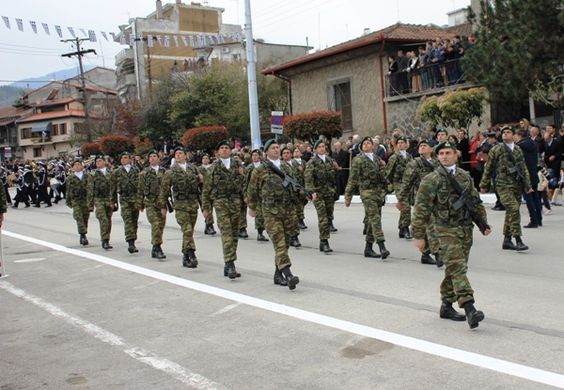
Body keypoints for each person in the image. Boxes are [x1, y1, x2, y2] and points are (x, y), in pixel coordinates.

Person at [412, 141, 491, 329]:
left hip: (465, 228)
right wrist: (419, 236)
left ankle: (446, 306)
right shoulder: (432, 179)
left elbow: (475, 202)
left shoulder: (464, 176)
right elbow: (421, 209)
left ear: (456, 155)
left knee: (455, 269)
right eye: (441, 154)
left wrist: (482, 223)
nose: (444, 156)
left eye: (448, 153)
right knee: (457, 267)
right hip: (444, 229)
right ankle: (470, 308)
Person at [247, 139, 307, 290]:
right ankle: (288, 275)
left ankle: (277, 274)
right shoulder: (260, 170)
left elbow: (294, 186)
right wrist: (252, 207)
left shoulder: (287, 167)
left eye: (277, 148)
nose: (275, 150)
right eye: (272, 148)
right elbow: (252, 191)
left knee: (285, 243)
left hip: (287, 211)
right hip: (271, 211)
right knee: (279, 242)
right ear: (266, 152)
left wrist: (305, 194)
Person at [480, 125, 532, 251]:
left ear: (513, 135)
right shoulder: (497, 149)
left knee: (511, 211)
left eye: (508, 132)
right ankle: (518, 239)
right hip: (502, 184)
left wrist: (528, 184)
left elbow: (523, 168)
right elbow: (489, 167)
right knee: (513, 208)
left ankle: (507, 240)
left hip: (516, 184)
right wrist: (484, 184)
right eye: (503, 132)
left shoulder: (518, 149)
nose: (505, 134)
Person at [202, 140, 245, 279]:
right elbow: (206, 189)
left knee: (234, 233)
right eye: (222, 148)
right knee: (226, 231)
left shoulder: (237, 165)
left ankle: (229, 262)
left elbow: (244, 184)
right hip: (220, 201)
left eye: (227, 148)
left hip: (235, 201)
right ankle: (230, 263)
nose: (225, 150)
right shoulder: (213, 168)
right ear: (218, 152)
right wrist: (206, 208)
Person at [344, 136, 390, 259]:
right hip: (366, 192)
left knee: (371, 220)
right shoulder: (358, 160)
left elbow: (383, 177)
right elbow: (352, 179)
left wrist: (387, 188)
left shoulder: (377, 159)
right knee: (375, 218)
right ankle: (382, 246)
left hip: (378, 193)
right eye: (364, 143)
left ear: (373, 146)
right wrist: (348, 196)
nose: (366, 145)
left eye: (368, 143)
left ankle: (368, 248)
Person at [397, 139, 442, 266]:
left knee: (430, 225)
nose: (422, 147)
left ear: (431, 149)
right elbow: (406, 182)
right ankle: (438, 254)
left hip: (437, 198)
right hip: (421, 198)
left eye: (425, 145)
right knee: (431, 224)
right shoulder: (415, 163)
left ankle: (425, 254)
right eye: (420, 146)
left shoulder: (437, 162)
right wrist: (400, 199)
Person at [159, 147, 202, 268]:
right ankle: (192, 254)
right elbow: (164, 190)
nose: (177, 155)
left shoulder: (193, 168)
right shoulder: (170, 172)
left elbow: (201, 186)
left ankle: (185, 256)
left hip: (193, 204)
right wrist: (163, 206)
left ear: (185, 156)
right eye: (176, 154)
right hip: (180, 204)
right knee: (187, 230)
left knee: (189, 232)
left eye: (180, 153)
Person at [305, 140, 338, 253]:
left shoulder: (329, 161)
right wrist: (311, 192)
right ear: (315, 149)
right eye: (319, 147)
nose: (322, 148)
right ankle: (324, 241)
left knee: (329, 216)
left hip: (329, 193)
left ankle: (323, 241)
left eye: (323, 146)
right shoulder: (312, 162)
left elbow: (333, 177)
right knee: (323, 217)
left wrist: (334, 190)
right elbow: (308, 179)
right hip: (318, 194)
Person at [136, 150, 167, 260]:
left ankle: (155, 246)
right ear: (148, 159)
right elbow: (140, 190)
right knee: (156, 223)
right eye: (151, 156)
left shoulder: (165, 172)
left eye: (155, 156)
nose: (153, 158)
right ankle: (157, 247)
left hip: (162, 203)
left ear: (159, 158)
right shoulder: (144, 173)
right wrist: (139, 204)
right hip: (150, 203)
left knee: (161, 225)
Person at [112, 152, 141, 254]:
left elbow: (141, 186)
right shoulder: (117, 172)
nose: (123, 159)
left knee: (134, 221)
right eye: (122, 158)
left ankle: (133, 239)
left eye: (125, 158)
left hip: (135, 199)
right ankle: (130, 243)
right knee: (127, 220)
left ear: (130, 159)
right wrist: (113, 202)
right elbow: (113, 188)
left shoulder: (136, 170)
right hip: (124, 199)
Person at [87, 156, 117, 250]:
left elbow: (113, 188)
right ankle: (104, 240)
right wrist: (90, 205)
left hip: (109, 199)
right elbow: (90, 189)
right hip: (98, 199)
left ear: (105, 162)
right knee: (103, 219)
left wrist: (115, 202)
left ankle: (107, 239)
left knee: (108, 220)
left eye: (100, 161)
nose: (98, 162)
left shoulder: (111, 173)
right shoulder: (93, 174)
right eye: (97, 161)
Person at [386, 136, 413, 239]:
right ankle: (405, 228)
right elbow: (387, 172)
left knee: (405, 206)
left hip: (408, 184)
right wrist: (388, 185)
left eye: (403, 142)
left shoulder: (410, 157)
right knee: (406, 206)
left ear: (407, 144)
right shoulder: (394, 157)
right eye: (399, 143)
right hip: (398, 184)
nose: (401, 144)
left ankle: (401, 228)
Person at [515, 129, 542, 228]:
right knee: (536, 198)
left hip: (525, 175)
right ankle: (539, 220)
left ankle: (533, 220)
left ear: (519, 135)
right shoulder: (533, 143)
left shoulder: (518, 146)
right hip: (534, 173)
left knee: (528, 198)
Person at [244, 149, 269, 242]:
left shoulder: (265, 166)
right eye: (253, 155)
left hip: (265, 193)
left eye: (256, 155)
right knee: (259, 214)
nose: (254, 157)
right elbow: (246, 182)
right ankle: (260, 232)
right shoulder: (249, 168)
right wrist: (246, 195)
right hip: (255, 193)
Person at [66, 158, 90, 246]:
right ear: (72, 167)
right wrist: (68, 201)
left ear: (82, 166)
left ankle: (83, 233)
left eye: (79, 164)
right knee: (78, 217)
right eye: (75, 165)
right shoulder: (70, 178)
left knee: (85, 218)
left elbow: (91, 188)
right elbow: (68, 190)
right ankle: (82, 235)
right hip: (76, 200)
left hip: (85, 200)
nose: (77, 166)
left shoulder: (87, 176)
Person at [198, 154, 217, 235]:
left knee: (210, 208)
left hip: (212, 191)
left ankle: (208, 226)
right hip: (202, 192)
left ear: (209, 160)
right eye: (203, 158)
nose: (205, 159)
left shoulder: (212, 168)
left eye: (206, 158)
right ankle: (210, 225)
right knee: (206, 208)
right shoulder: (198, 169)